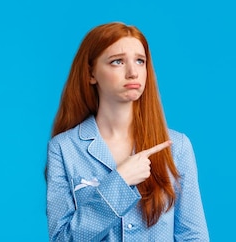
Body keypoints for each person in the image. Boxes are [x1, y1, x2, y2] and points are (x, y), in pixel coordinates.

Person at [45, 22, 209, 241]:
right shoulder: (64, 148)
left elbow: (193, 236)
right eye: (118, 61)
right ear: (91, 73)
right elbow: (62, 238)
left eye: (140, 61)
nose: (133, 72)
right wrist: (119, 183)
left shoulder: (177, 146)